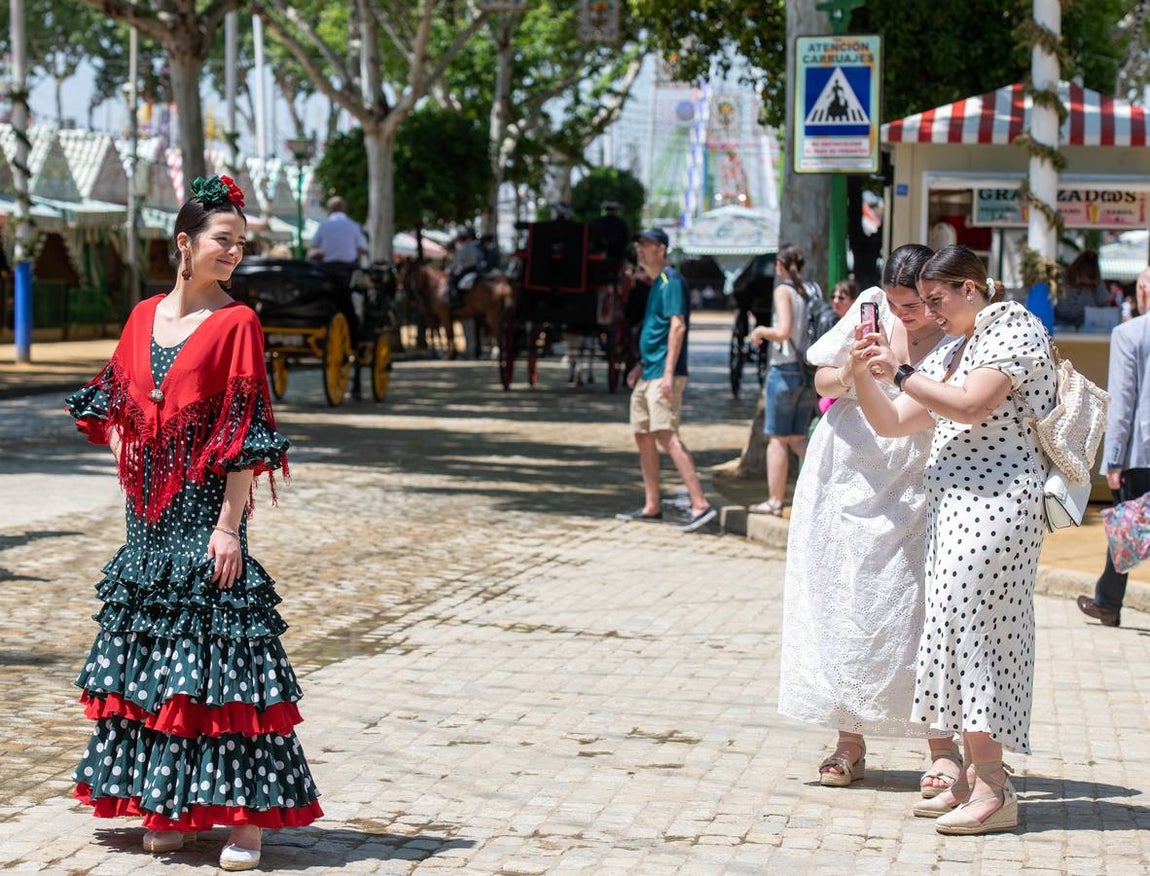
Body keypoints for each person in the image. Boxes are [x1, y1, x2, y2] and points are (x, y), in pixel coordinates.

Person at [65, 174, 322, 871]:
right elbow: (112, 403)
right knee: (158, 667)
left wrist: (229, 526)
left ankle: (245, 824)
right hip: (146, 521)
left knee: (220, 664)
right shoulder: (142, 315)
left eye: (241, 244)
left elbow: (245, 429)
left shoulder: (239, 324)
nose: (233, 252)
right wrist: (126, 450)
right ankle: (168, 807)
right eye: (222, 240)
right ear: (184, 243)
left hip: (205, 512)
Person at [851, 244, 1057, 835]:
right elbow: (893, 422)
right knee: (950, 637)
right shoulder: (957, 345)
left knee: (977, 639)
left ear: (971, 287)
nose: (930, 312)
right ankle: (974, 775)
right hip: (955, 511)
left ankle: (993, 785)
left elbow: (970, 406)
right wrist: (865, 371)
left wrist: (902, 373)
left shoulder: (1014, 328)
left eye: (937, 299)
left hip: (997, 507)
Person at [777, 244, 963, 796]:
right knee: (848, 598)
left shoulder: (955, 327)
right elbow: (821, 381)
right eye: (897, 303)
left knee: (920, 606)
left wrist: (897, 371)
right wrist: (852, 371)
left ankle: (943, 746)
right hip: (848, 470)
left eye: (916, 304)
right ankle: (849, 740)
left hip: (917, 469)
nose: (905, 314)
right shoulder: (870, 309)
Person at [615, 227, 716, 532]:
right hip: (650, 371)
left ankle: (700, 504)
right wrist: (640, 366)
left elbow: (677, 327)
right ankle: (652, 505)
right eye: (639, 244)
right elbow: (658, 332)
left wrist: (668, 374)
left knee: (666, 434)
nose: (640, 250)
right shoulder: (656, 283)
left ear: (661, 249)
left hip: (663, 374)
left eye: (646, 245)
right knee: (643, 434)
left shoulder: (671, 281)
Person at [1077, 265, 1150, 627]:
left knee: (1130, 526)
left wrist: (1114, 459)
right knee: (1132, 527)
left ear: (1143, 291)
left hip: (1141, 452)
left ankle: (1108, 603)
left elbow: (1122, 401)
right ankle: (1107, 600)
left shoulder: (1130, 333)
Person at [747, 244, 819, 516]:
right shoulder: (811, 289)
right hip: (806, 372)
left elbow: (783, 331)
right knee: (798, 439)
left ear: (779, 265)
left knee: (777, 439)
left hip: (784, 370)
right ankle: (829, 487)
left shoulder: (783, 291)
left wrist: (760, 331)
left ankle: (774, 501)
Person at [307, 195, 368, 343]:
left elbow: (314, 246)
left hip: (326, 270)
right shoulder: (353, 225)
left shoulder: (324, 225)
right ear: (344, 209)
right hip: (347, 270)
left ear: (330, 209)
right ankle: (354, 338)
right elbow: (361, 249)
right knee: (349, 303)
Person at [1054, 250, 1111, 331]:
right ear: (1078, 270)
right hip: (1059, 326)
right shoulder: (1061, 279)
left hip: (1085, 328)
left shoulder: (1097, 284)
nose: (1091, 279)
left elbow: (1105, 303)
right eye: (1089, 275)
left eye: (1092, 275)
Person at [447, 227, 483, 307]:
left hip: (466, 270)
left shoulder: (462, 249)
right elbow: (480, 258)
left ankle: (456, 300)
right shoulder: (475, 247)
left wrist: (450, 270)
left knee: (452, 281)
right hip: (476, 269)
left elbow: (458, 264)